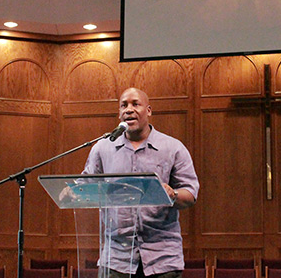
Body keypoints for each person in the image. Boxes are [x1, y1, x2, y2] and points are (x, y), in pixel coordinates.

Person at [82, 87, 199, 278]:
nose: (129, 109)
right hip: (116, 259)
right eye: (123, 105)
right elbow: (84, 187)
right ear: (119, 113)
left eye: (135, 104)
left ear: (149, 111)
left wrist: (172, 194)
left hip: (162, 258)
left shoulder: (173, 148)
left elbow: (191, 195)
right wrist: (73, 193)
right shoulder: (102, 148)